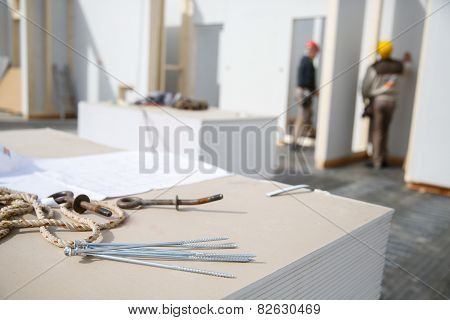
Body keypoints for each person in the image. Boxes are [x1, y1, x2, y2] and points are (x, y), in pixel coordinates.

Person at [361, 41, 411, 169]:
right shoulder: (398, 66)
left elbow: (365, 87)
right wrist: (407, 60)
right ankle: (384, 158)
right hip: (392, 101)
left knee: (377, 131)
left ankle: (377, 161)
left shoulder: (374, 67)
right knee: (386, 129)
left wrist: (365, 99)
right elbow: (407, 67)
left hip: (378, 101)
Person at [292, 40, 320, 148]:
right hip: (304, 92)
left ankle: (300, 137)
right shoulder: (307, 62)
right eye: (315, 52)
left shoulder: (304, 60)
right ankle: (295, 142)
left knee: (306, 115)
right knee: (302, 116)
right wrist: (315, 91)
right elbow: (308, 81)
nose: (316, 54)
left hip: (302, 91)